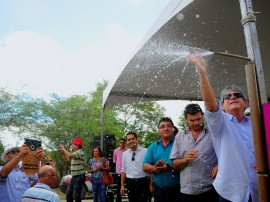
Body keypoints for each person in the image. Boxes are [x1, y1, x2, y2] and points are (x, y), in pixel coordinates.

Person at [187, 53, 259, 202]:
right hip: (231, 193)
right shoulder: (220, 122)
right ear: (223, 105)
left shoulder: (257, 124)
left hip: (258, 189)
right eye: (227, 97)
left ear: (246, 102)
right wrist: (202, 72)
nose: (232, 97)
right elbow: (211, 105)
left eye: (237, 95)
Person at [170, 104, 219, 202]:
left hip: (211, 188)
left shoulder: (214, 132)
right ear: (186, 119)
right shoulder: (179, 137)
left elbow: (227, 153)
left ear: (203, 115)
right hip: (187, 190)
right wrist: (184, 159)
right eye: (192, 120)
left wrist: (219, 164)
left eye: (199, 119)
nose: (196, 123)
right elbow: (174, 165)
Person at [142, 117, 180, 202]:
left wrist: (171, 167)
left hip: (178, 190)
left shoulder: (180, 144)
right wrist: (155, 168)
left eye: (169, 126)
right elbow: (144, 166)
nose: (166, 128)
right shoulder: (153, 146)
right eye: (162, 126)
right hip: (159, 191)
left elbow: (185, 164)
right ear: (158, 130)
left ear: (173, 129)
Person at [120, 131, 150, 202]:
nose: (131, 141)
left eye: (133, 139)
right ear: (127, 141)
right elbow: (123, 170)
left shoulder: (146, 151)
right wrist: (122, 185)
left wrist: (151, 184)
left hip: (143, 182)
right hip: (130, 183)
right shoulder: (125, 154)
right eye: (129, 140)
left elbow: (150, 169)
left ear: (137, 139)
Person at [59, 137, 86, 202]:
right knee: (68, 194)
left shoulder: (80, 152)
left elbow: (70, 155)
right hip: (74, 177)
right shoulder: (75, 153)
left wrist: (63, 148)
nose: (72, 146)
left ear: (77, 145)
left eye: (73, 144)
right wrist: (62, 152)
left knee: (76, 195)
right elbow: (66, 160)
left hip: (79, 176)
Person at [113, 138, 127, 202]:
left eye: (123, 142)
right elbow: (115, 160)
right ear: (119, 143)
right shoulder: (116, 151)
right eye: (121, 142)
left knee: (128, 186)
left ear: (125, 143)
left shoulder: (128, 150)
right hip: (119, 171)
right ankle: (118, 200)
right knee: (119, 187)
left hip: (127, 172)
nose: (122, 144)